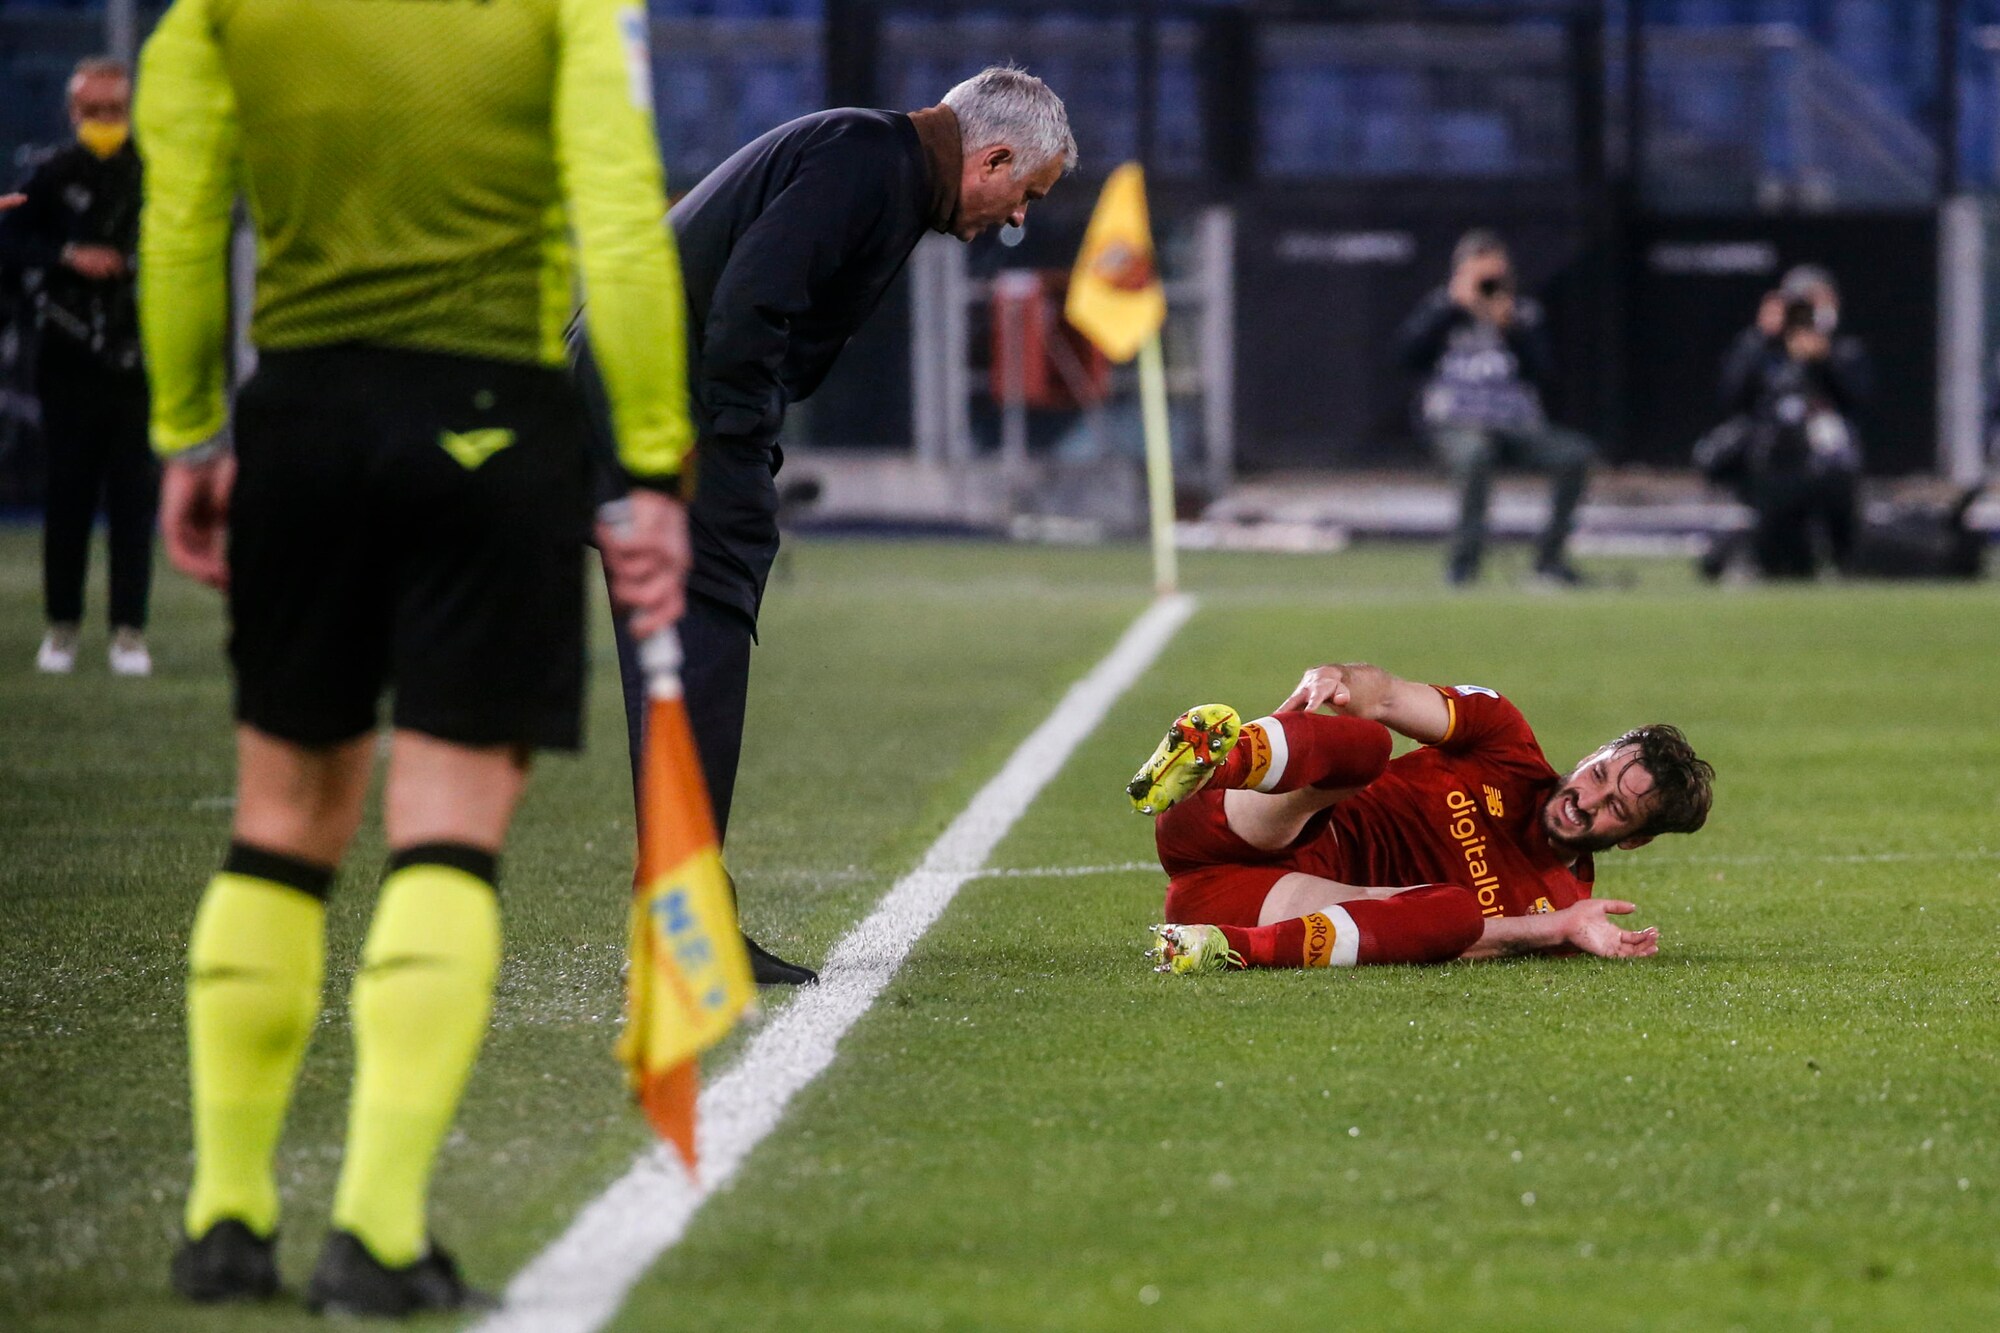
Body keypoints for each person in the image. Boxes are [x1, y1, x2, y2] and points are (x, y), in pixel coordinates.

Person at [136, 0, 692, 1314]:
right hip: (491, 421)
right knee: (447, 829)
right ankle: (378, 1234)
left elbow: (181, 219)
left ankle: (225, 1218)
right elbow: (622, 221)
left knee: (280, 822)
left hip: (302, 420)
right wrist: (654, 457)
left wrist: (189, 431)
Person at [573, 65, 1076, 985]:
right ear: (995, 158)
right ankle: (683, 928)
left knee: (678, 656)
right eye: (1026, 196)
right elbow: (753, 301)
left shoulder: (870, 155)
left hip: (631, 387)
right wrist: (730, 442)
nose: (1017, 220)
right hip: (668, 408)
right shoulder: (866, 160)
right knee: (701, 650)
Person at [1125, 662, 1712, 975]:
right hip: (1232, 817)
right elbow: (1384, 697)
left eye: (1615, 809)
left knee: (1455, 914)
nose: (1587, 800)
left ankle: (1220, 949)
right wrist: (1339, 678)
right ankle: (1210, 761)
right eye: (1599, 775)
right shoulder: (1503, 739)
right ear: (1590, 757)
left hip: (1243, 904)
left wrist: (1558, 928)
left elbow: (1452, 944)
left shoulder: (1563, 909)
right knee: (1368, 743)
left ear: (1633, 840)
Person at [0, 58, 156, 676]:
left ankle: (129, 631)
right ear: (72, 112)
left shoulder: (153, 174)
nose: (104, 121)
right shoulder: (51, 175)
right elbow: (11, 243)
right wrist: (68, 255)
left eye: (114, 110)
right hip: (66, 360)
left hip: (137, 360)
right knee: (66, 498)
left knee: (133, 502)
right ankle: (62, 626)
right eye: (93, 111)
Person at [1395, 229, 1596, 587]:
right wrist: (1452, 308)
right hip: (1456, 421)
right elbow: (1406, 356)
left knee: (1575, 454)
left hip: (1515, 425)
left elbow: (1543, 372)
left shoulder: (1522, 312)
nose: (1488, 284)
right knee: (1475, 456)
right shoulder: (1440, 308)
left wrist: (1511, 328)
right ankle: (1463, 566)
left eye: (1495, 275)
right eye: (1481, 275)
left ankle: (1549, 561)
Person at [1701, 265, 1873, 580]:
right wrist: (1762, 338)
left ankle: (1844, 561)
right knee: (1785, 561)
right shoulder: (1762, 350)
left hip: (1830, 466)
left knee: (1842, 526)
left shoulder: (1843, 349)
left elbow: (1858, 400)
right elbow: (1732, 398)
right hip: (1775, 464)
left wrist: (1824, 360)